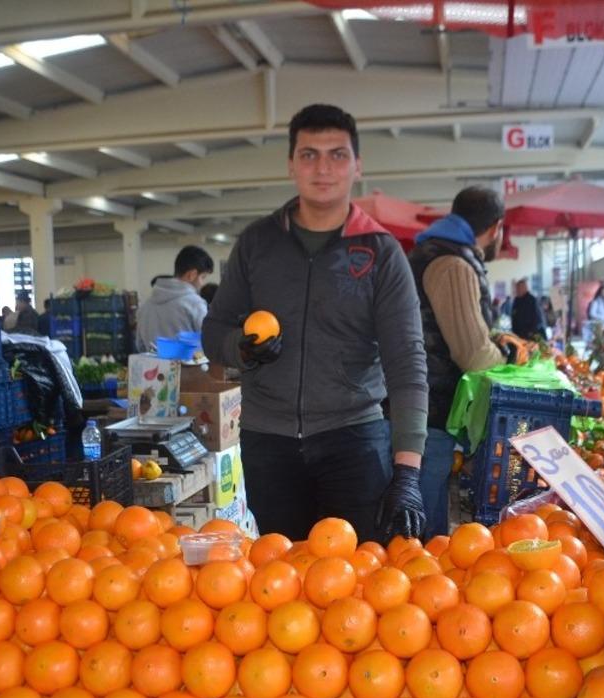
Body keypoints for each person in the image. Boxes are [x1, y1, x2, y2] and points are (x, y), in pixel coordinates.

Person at [202, 103, 428, 544]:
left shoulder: (381, 252)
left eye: (337, 155)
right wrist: (240, 348)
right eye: (309, 155)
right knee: (278, 572)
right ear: (291, 165)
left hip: (354, 440)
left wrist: (407, 473)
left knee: (359, 573)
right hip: (268, 441)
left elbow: (407, 364)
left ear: (357, 166)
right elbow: (214, 331)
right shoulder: (257, 244)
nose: (323, 168)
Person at [409, 186, 523, 538]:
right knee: (423, 533)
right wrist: (510, 360)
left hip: (422, 404)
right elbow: (473, 355)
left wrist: (494, 338)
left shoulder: (437, 253)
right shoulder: (452, 264)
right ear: (496, 227)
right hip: (429, 409)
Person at [137, 245, 214, 352]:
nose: (202, 283)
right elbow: (210, 343)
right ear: (191, 275)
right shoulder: (195, 303)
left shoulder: (145, 306)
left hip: (153, 362)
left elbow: (140, 346)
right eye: (203, 277)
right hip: (189, 363)